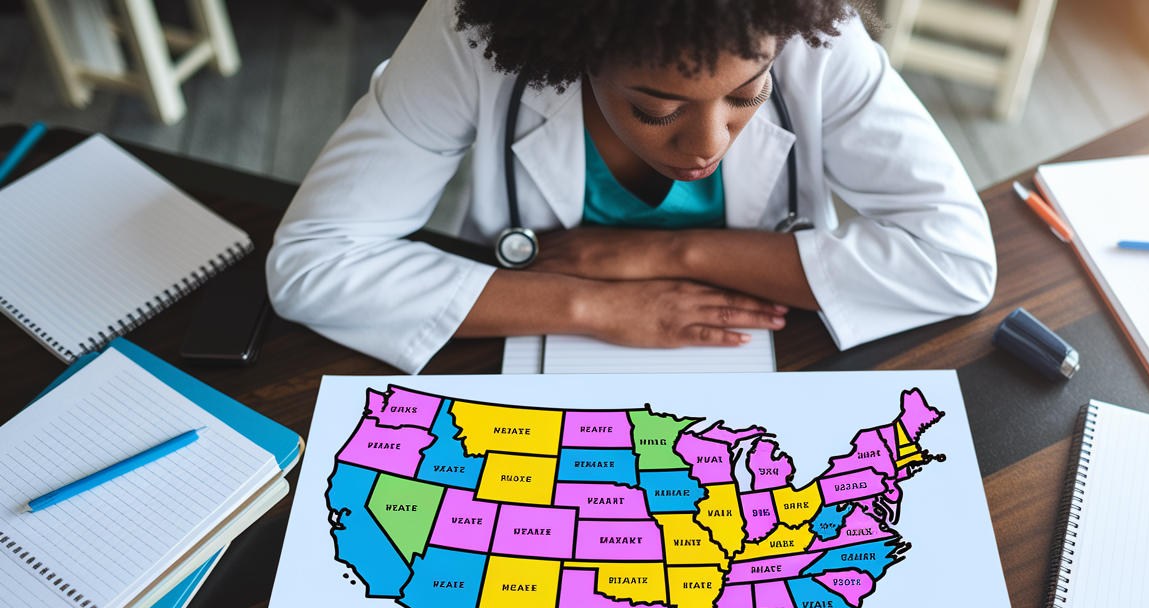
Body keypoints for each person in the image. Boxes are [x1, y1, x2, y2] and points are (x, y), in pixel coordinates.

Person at [267, 0, 996, 374]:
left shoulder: (810, 32)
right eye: (658, 108)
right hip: (514, 355)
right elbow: (315, 260)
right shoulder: (470, 33)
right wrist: (596, 304)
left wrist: (672, 256)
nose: (708, 145)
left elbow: (956, 260)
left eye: (748, 94)